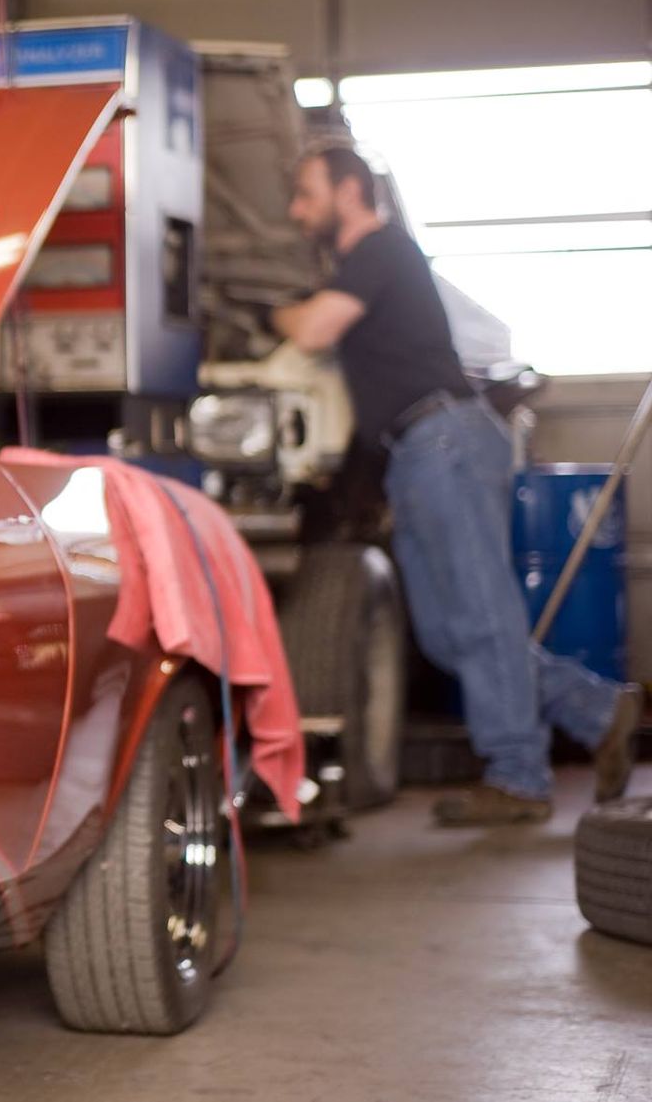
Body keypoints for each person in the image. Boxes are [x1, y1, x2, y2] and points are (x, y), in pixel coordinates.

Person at [274, 145, 641, 826]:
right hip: (417, 455)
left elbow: (314, 325)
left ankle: (519, 777)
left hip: (444, 444)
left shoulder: (381, 248)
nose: (298, 211)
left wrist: (275, 314)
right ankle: (598, 709)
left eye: (306, 194)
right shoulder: (372, 263)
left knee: (481, 618)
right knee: (447, 634)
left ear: (350, 190)